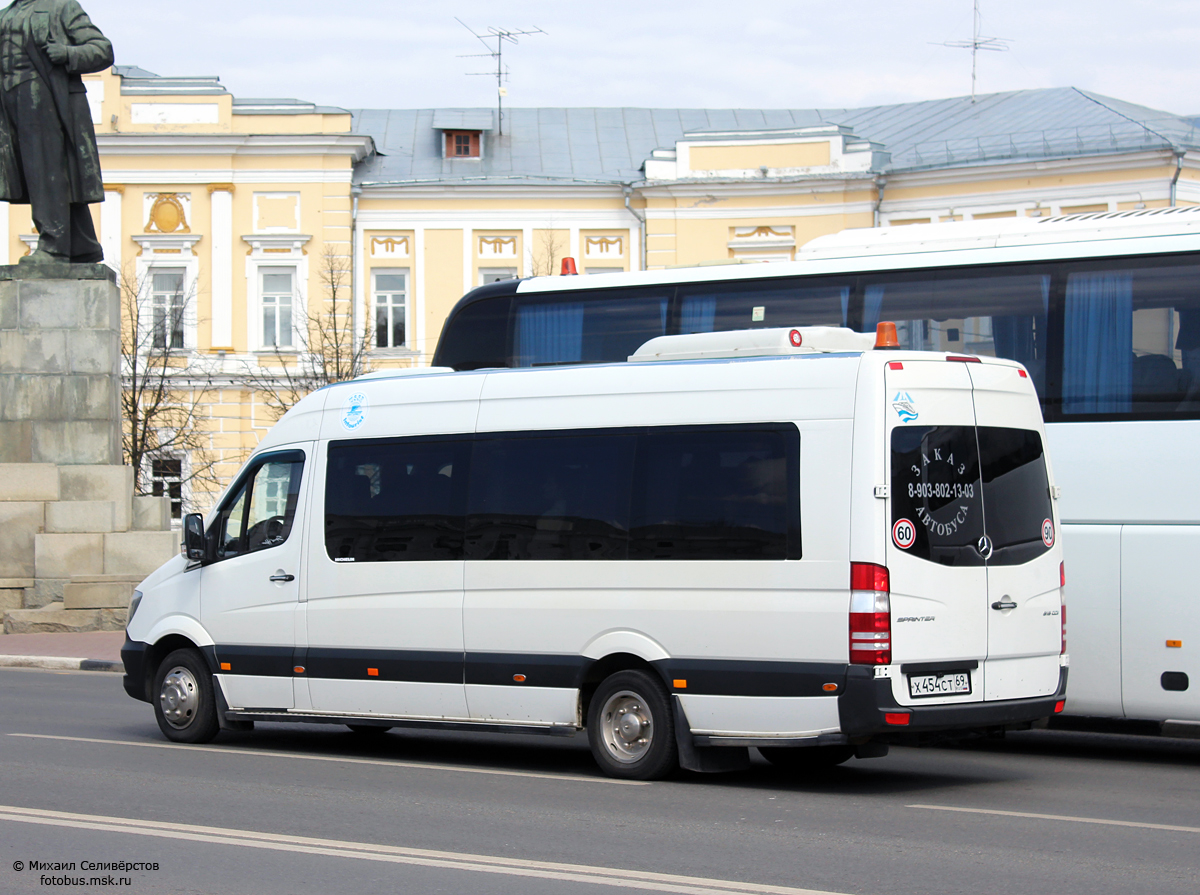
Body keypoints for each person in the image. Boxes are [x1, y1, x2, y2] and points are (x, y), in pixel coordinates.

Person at [0, 0, 113, 264]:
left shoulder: (60, 7)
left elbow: (102, 49)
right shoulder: (5, 14)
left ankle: (54, 245)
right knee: (34, 173)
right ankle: (81, 245)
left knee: (45, 168)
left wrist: (67, 53)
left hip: (44, 96)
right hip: (7, 100)